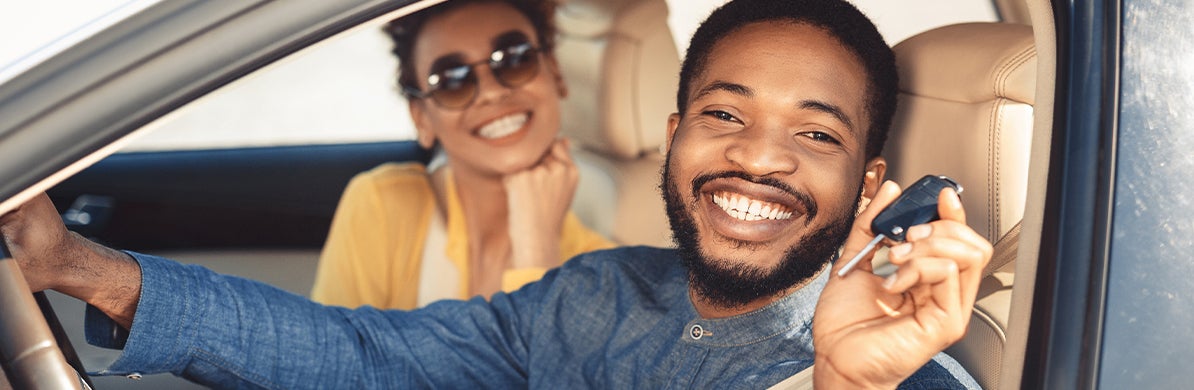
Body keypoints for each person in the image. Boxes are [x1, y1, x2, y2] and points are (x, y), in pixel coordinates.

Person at [0, 0, 992, 388]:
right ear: (675, 135)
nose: (761, 159)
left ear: (868, 186)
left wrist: (849, 385)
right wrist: (76, 266)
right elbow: (359, 352)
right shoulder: (596, 294)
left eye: (815, 134)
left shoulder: (894, 368)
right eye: (725, 115)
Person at [310, 0, 613, 310]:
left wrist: (537, 249)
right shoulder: (381, 206)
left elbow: (548, 360)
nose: (491, 92)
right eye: (451, 80)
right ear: (422, 119)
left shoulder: (602, 272)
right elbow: (330, 358)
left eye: (514, 59)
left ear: (556, 73)